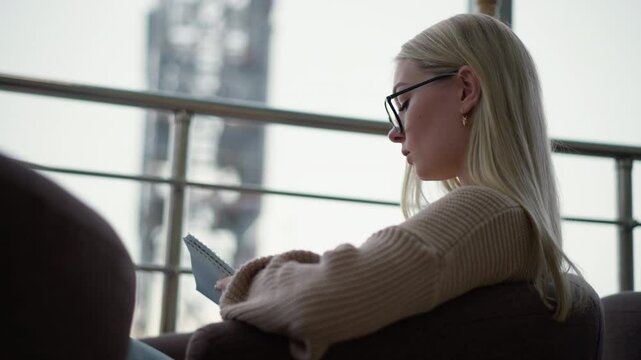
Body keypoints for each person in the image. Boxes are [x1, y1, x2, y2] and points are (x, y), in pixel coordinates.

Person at [215, 13, 582, 360]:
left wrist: (249, 281)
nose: (394, 132)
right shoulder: (515, 225)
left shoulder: (486, 212)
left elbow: (328, 298)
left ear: (466, 90)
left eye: (403, 102)